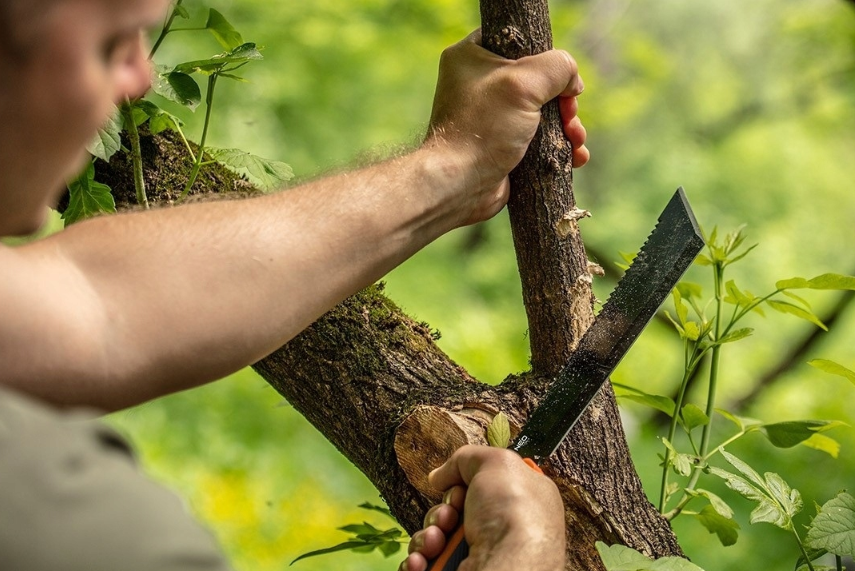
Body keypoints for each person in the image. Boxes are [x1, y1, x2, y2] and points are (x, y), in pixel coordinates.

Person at [0, 0, 588, 569]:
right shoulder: (75, 530)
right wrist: (523, 553)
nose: (140, 76)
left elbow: (98, 303)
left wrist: (454, 166)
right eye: (109, 44)